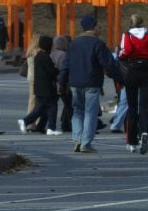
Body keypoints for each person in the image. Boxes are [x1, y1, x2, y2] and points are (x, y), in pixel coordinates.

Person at [58, 16, 121, 154]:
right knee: (90, 112)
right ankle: (86, 142)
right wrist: (118, 77)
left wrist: (62, 82)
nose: (100, 28)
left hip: (74, 83)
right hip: (92, 82)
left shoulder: (74, 43)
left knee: (77, 111)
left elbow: (65, 65)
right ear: (92, 27)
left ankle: (77, 139)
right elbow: (108, 64)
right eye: (98, 26)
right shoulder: (98, 44)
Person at [118, 14, 148, 154]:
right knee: (143, 106)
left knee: (132, 108)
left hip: (132, 72)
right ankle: (144, 131)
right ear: (142, 22)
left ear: (130, 23)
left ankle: (131, 141)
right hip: (147, 72)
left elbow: (126, 51)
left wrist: (120, 56)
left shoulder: (127, 36)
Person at [20, 35, 61, 135]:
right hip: (46, 87)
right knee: (51, 107)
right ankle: (50, 128)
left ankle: (27, 121)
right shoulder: (45, 57)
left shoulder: (38, 56)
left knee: (40, 108)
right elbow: (51, 71)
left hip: (39, 87)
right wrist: (57, 71)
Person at [50, 35, 72, 133]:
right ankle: (67, 125)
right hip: (62, 83)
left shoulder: (51, 53)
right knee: (69, 105)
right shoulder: (63, 55)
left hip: (52, 82)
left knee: (51, 104)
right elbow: (64, 70)